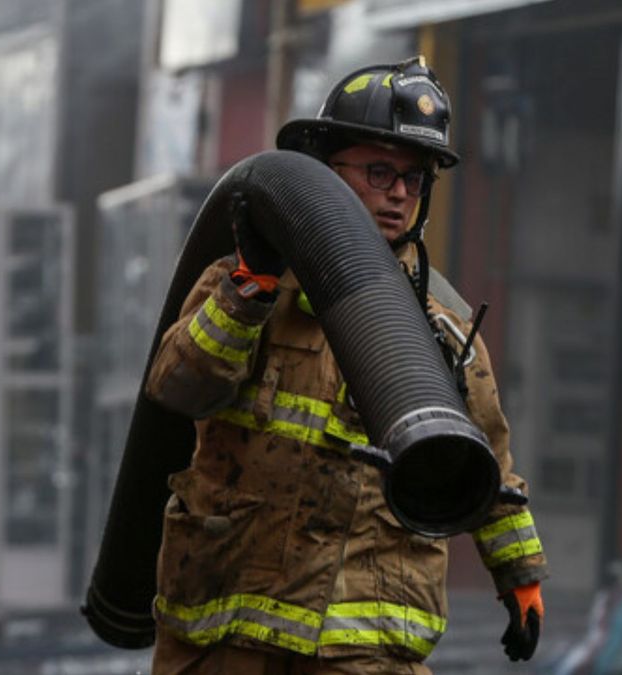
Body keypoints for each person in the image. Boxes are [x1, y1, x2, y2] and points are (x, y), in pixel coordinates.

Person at [145, 56, 549, 674]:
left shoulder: (441, 329)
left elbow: (485, 465)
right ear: (321, 176)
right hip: (231, 638)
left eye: (414, 180)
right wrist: (248, 292)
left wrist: (520, 576)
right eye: (379, 171)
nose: (398, 193)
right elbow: (179, 386)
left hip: (365, 647)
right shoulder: (245, 287)